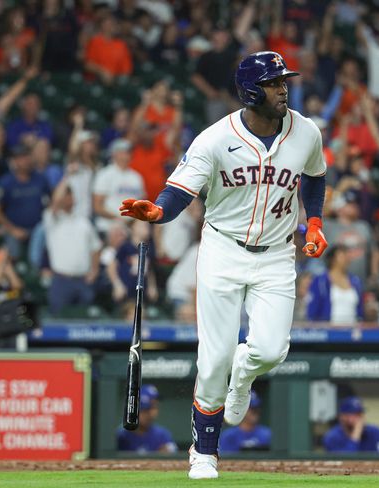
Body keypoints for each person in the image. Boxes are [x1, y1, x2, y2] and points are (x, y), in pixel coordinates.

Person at [119, 51, 327, 479]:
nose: (283, 88)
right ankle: (204, 452)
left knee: (270, 351)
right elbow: (179, 191)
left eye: (284, 80)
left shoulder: (306, 132)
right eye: (273, 82)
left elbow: (315, 175)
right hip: (223, 251)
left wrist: (316, 223)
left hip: (275, 254)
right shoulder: (215, 138)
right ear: (251, 91)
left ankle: (244, 375)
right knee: (212, 360)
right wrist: (158, 213)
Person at [43, 176, 102, 315]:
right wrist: (67, 177)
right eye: (65, 195)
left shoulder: (83, 222)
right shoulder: (52, 219)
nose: (68, 198)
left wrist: (94, 270)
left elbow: (96, 247)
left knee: (86, 324)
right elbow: (55, 202)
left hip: (83, 280)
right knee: (58, 322)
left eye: (70, 195)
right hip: (61, 280)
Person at [305, 244, 364, 324]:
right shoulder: (320, 282)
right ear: (332, 259)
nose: (347, 257)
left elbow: (360, 310)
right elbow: (312, 311)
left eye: (347, 254)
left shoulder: (355, 281)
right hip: (329, 331)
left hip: (352, 331)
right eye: (343, 254)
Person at [116, 389, 177, 453]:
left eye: (155, 407)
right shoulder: (121, 435)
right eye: (146, 410)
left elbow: (174, 454)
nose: (152, 414)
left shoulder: (162, 435)